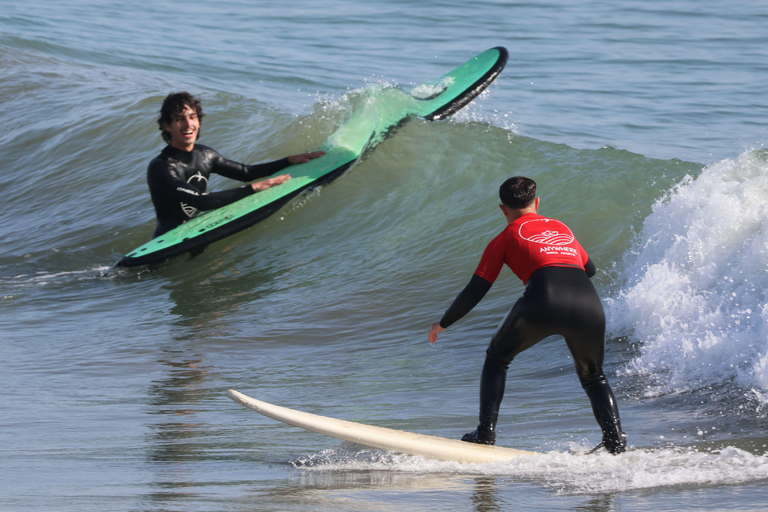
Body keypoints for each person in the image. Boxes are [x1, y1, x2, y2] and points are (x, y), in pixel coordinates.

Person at [428, 176, 627, 454]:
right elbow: (589, 268)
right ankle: (616, 441)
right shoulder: (561, 227)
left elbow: (477, 288)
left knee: (498, 357)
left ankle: (485, 432)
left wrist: (443, 323)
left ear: (502, 209)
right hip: (588, 304)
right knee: (594, 377)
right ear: (537, 202)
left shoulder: (505, 236)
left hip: (543, 300)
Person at [147, 92, 325, 237]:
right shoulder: (161, 167)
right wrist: (254, 188)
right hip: (167, 241)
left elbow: (246, 172)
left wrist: (288, 160)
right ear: (167, 126)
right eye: (179, 119)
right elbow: (200, 201)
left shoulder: (205, 154)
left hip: (197, 231)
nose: (188, 124)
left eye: (192, 117)